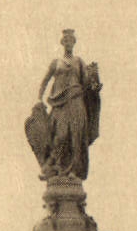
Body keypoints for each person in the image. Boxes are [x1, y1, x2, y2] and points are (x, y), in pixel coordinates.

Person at [36, 29, 100, 180]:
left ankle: (74, 171)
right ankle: (57, 167)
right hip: (59, 103)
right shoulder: (56, 63)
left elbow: (87, 83)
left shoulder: (79, 62)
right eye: (66, 40)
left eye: (71, 40)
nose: (68, 43)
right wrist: (39, 99)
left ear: (74, 43)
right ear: (62, 43)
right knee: (60, 135)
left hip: (76, 101)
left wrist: (94, 79)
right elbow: (45, 81)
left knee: (76, 137)